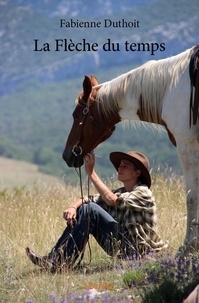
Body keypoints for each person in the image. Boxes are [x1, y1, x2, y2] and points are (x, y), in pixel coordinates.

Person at [26, 151, 167, 272]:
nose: (120, 168)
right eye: (120, 165)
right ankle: (55, 258)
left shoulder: (143, 192)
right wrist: (73, 207)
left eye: (125, 166)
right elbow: (90, 198)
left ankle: (62, 263)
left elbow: (111, 200)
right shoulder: (121, 192)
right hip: (125, 248)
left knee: (90, 210)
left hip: (141, 253)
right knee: (85, 208)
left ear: (137, 173)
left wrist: (91, 172)